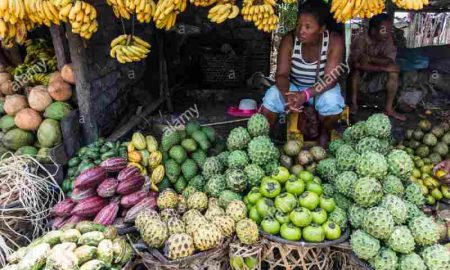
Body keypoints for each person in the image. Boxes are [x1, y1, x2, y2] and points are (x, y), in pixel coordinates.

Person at [261, 0, 345, 147]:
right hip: (293, 88)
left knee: (333, 102)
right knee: (271, 97)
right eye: (299, 25)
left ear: (321, 29)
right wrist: (289, 95)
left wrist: (305, 95)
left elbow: (330, 79)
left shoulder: (333, 40)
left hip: (320, 89)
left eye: (308, 27)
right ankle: (265, 138)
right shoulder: (290, 39)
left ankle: (324, 132)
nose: (301, 31)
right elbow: (281, 75)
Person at [349, 13, 406, 121]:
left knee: (394, 70)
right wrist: (383, 67)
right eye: (385, 30)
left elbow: (389, 60)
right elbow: (357, 65)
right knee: (355, 72)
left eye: (390, 30)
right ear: (374, 31)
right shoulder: (361, 39)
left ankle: (388, 109)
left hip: (378, 75)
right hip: (362, 77)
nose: (389, 33)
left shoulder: (388, 40)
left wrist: (371, 59)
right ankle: (354, 105)